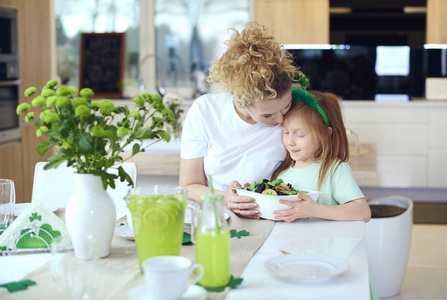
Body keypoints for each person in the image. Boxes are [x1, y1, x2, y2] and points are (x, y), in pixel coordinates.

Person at [179, 22, 298, 218]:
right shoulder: (205, 112)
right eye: (267, 115)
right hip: (218, 220)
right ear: (241, 102)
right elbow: (189, 187)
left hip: (277, 219)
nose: (281, 119)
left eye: (285, 106)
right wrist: (226, 198)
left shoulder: (297, 112)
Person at [270, 87, 371, 223]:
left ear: (324, 134)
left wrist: (313, 210)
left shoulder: (334, 170)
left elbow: (363, 212)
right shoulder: (281, 175)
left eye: (300, 134)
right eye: (286, 132)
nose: (290, 142)